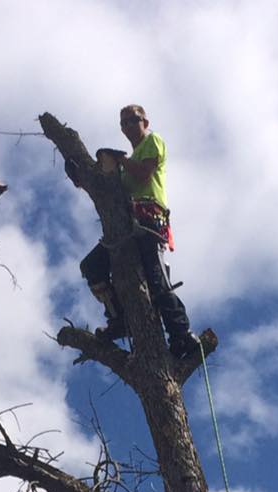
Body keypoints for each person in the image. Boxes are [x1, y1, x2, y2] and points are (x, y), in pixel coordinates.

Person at [80, 104, 200, 359]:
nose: (129, 126)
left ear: (145, 121)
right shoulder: (124, 166)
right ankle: (118, 318)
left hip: (149, 221)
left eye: (134, 120)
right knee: (92, 266)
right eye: (124, 123)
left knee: (156, 281)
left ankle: (181, 334)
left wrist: (121, 159)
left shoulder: (153, 142)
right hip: (125, 224)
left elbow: (145, 175)